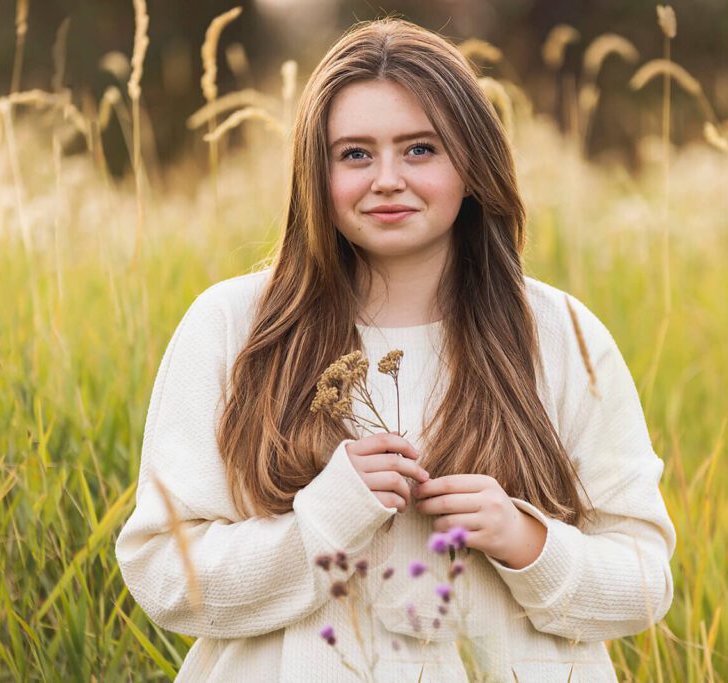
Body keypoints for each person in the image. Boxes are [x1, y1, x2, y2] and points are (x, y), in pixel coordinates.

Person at [115, 16, 675, 682]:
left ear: (472, 165)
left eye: (420, 150)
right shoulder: (235, 327)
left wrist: (525, 539)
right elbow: (161, 572)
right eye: (355, 153)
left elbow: (644, 579)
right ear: (314, 173)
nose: (386, 178)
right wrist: (325, 519)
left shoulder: (558, 333)